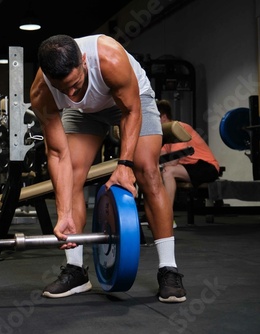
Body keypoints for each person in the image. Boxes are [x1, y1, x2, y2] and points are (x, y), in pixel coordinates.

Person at [30, 34, 186, 303]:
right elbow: (57, 153)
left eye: (75, 85)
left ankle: (168, 269)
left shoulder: (109, 58)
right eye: (62, 89)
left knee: (147, 171)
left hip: (128, 102)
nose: (70, 94)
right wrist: (64, 210)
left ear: (83, 61)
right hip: (83, 114)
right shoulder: (42, 91)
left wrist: (124, 164)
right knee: (72, 176)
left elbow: (131, 111)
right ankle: (76, 269)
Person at [158, 99, 220, 225]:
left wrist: (162, 165)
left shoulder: (179, 128)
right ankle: (156, 214)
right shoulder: (166, 134)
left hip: (207, 166)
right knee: (155, 172)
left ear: (163, 117)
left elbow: (173, 162)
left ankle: (167, 219)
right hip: (190, 167)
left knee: (168, 171)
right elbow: (160, 158)